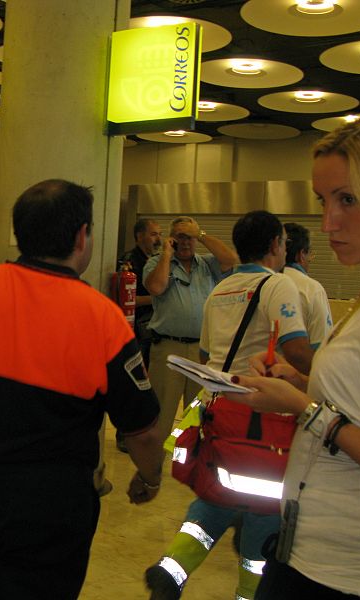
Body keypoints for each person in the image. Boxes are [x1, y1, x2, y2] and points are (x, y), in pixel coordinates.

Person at [231, 113, 360, 599]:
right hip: (316, 559)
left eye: (348, 199)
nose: (328, 222)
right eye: (324, 201)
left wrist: (307, 410)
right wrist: (302, 384)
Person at [0, 179, 164, 599]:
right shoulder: (102, 317)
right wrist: (151, 478)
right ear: (82, 236)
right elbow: (144, 430)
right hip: (50, 501)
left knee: (1, 581)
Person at [145, 210, 314, 600]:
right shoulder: (278, 285)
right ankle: (249, 594)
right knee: (263, 510)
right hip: (264, 416)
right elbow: (296, 348)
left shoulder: (219, 290)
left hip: (219, 410)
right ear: (276, 245)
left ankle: (174, 567)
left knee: (216, 495)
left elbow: (207, 353)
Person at [144, 216, 238, 442]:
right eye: (180, 237)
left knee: (196, 413)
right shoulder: (156, 262)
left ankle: (187, 462)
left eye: (190, 237)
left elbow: (231, 259)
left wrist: (201, 235)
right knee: (162, 413)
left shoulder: (207, 264)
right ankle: (153, 469)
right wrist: (167, 254)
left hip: (201, 351)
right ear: (171, 240)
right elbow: (156, 287)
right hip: (168, 348)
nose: (186, 242)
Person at [115, 218, 162, 452]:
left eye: (159, 234)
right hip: (135, 329)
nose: (158, 239)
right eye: (153, 234)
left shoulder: (158, 261)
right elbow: (126, 297)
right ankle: (125, 435)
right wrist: (158, 298)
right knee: (133, 384)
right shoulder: (129, 262)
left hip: (154, 330)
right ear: (139, 236)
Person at [283, 222, 333, 349]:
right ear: (301, 254)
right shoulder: (311, 289)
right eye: (309, 253)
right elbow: (322, 345)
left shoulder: (263, 282)